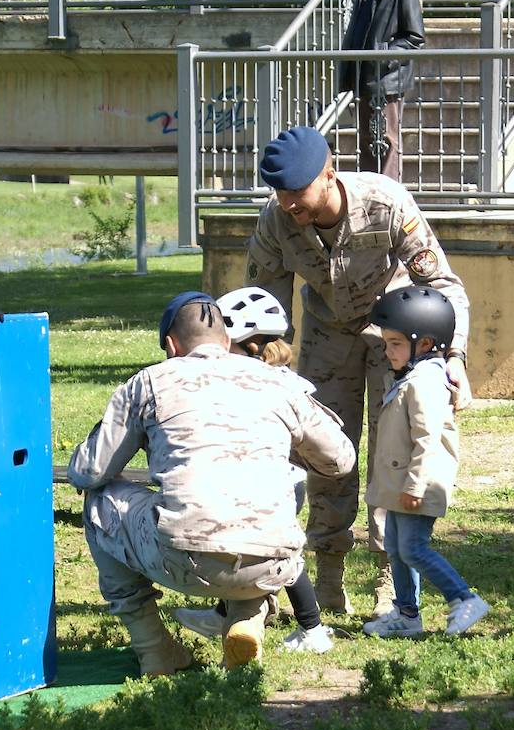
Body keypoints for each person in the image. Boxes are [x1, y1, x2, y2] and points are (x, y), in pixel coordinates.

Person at [246, 126, 471, 618]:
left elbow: (443, 284)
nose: (288, 204)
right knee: (324, 452)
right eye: (279, 193)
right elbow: (264, 309)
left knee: (393, 454)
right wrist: (260, 365)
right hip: (327, 337)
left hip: (393, 334)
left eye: (297, 192)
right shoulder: (276, 222)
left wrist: (452, 357)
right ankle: (328, 578)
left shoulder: (385, 202)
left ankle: (393, 583)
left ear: (329, 174)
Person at [67, 291, 355, 675]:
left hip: (182, 559)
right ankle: (246, 621)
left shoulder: (148, 383)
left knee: (99, 501)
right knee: (283, 486)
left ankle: (155, 649)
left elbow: (88, 473)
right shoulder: (282, 383)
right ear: (225, 339)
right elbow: (341, 460)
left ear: (171, 346)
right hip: (274, 563)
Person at [173, 286, 337, 655]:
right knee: (241, 540)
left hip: (278, 483)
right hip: (272, 479)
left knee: (283, 557)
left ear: (243, 344)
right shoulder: (281, 380)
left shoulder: (268, 383)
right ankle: (224, 612)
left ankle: (312, 628)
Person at [360, 285, 490, 639]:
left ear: (426, 343)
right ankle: (406, 614)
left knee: (414, 549)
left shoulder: (425, 383)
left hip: (418, 484)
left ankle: (464, 598)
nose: (388, 351)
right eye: (386, 343)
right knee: (397, 550)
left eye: (396, 343)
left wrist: (415, 485)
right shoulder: (408, 378)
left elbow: (427, 439)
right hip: (400, 485)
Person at [338, 0, 425, 181]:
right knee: (366, 138)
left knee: (387, 139)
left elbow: (414, 37)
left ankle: (389, 195)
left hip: (387, 77)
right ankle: (368, 191)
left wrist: (384, 57)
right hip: (364, 76)